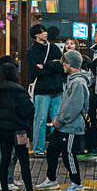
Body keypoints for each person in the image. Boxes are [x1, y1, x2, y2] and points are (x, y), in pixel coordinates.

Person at [0, 60, 39, 191]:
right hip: (18, 130)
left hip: (1, 130)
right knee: (24, 161)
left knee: (4, 159)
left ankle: (5, 190)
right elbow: (29, 109)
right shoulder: (18, 90)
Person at [38, 50, 90, 191]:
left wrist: (60, 120)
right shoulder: (71, 80)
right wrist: (58, 118)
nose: (63, 65)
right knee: (52, 150)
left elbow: (74, 106)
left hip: (72, 126)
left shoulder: (78, 82)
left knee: (69, 154)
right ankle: (51, 179)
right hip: (64, 124)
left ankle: (76, 182)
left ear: (71, 64)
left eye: (65, 62)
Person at [25, 24, 65, 152]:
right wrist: (51, 67)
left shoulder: (53, 48)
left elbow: (61, 66)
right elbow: (35, 71)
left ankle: (55, 148)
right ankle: (38, 148)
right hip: (42, 90)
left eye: (45, 31)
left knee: (57, 121)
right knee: (40, 120)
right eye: (42, 32)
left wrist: (45, 65)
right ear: (36, 35)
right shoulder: (31, 51)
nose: (45, 34)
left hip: (57, 89)